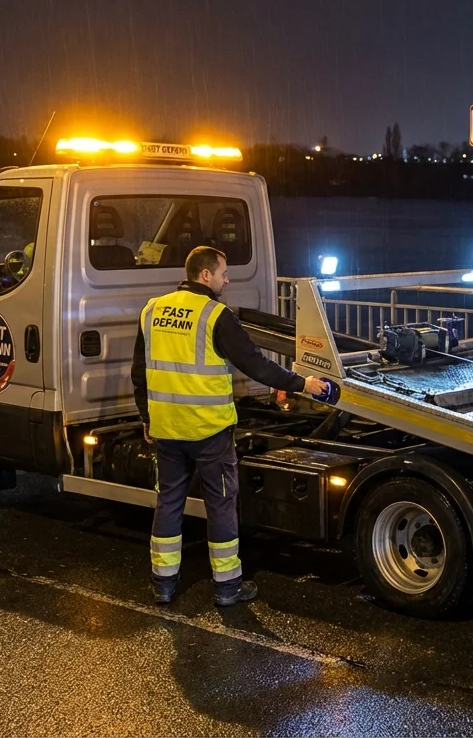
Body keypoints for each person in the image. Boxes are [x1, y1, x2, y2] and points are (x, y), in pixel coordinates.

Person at [132, 245, 329, 607]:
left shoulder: (152, 310)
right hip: (209, 431)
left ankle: (163, 583)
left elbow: (139, 375)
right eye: (223, 272)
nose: (228, 278)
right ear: (205, 275)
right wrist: (302, 383)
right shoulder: (215, 315)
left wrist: (147, 418)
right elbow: (254, 364)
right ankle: (227, 587)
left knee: (169, 503)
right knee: (221, 505)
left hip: (166, 430)